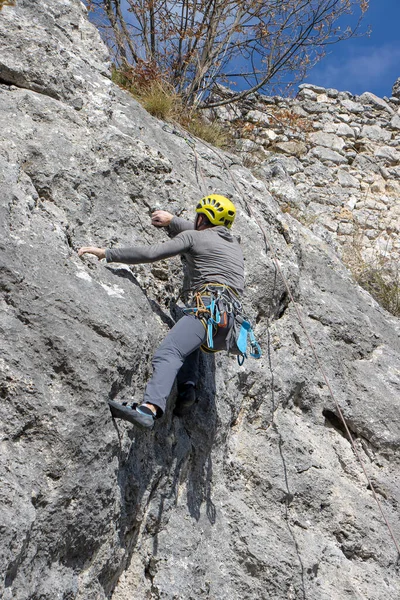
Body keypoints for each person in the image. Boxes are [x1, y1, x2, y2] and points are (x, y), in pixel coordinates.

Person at [78, 195, 244, 430]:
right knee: (187, 340)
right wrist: (172, 220)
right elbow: (201, 231)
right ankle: (187, 389)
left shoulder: (192, 237)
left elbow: (151, 254)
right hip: (229, 320)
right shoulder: (233, 244)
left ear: (202, 218)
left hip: (207, 308)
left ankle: (149, 408)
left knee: (169, 352)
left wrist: (107, 253)